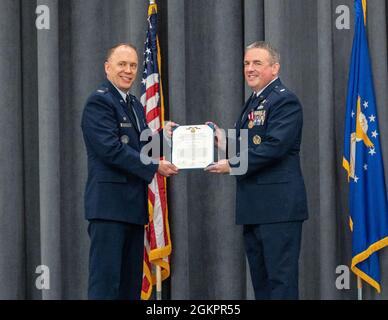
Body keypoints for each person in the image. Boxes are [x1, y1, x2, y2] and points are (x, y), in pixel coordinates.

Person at [206, 41, 308, 299]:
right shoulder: (255, 101)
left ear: (275, 68)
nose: (249, 69)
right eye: (246, 63)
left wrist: (232, 164)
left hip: (278, 210)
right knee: (262, 287)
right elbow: (252, 143)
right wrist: (224, 142)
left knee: (280, 285)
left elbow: (274, 146)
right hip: (254, 208)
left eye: (257, 63)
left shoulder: (285, 100)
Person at [81, 43, 178, 300]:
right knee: (106, 285)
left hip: (133, 210)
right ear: (107, 67)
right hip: (109, 209)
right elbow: (111, 150)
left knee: (130, 288)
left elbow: (142, 145)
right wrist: (156, 165)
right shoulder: (99, 101)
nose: (128, 70)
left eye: (133, 65)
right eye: (122, 64)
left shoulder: (133, 103)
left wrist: (165, 135)